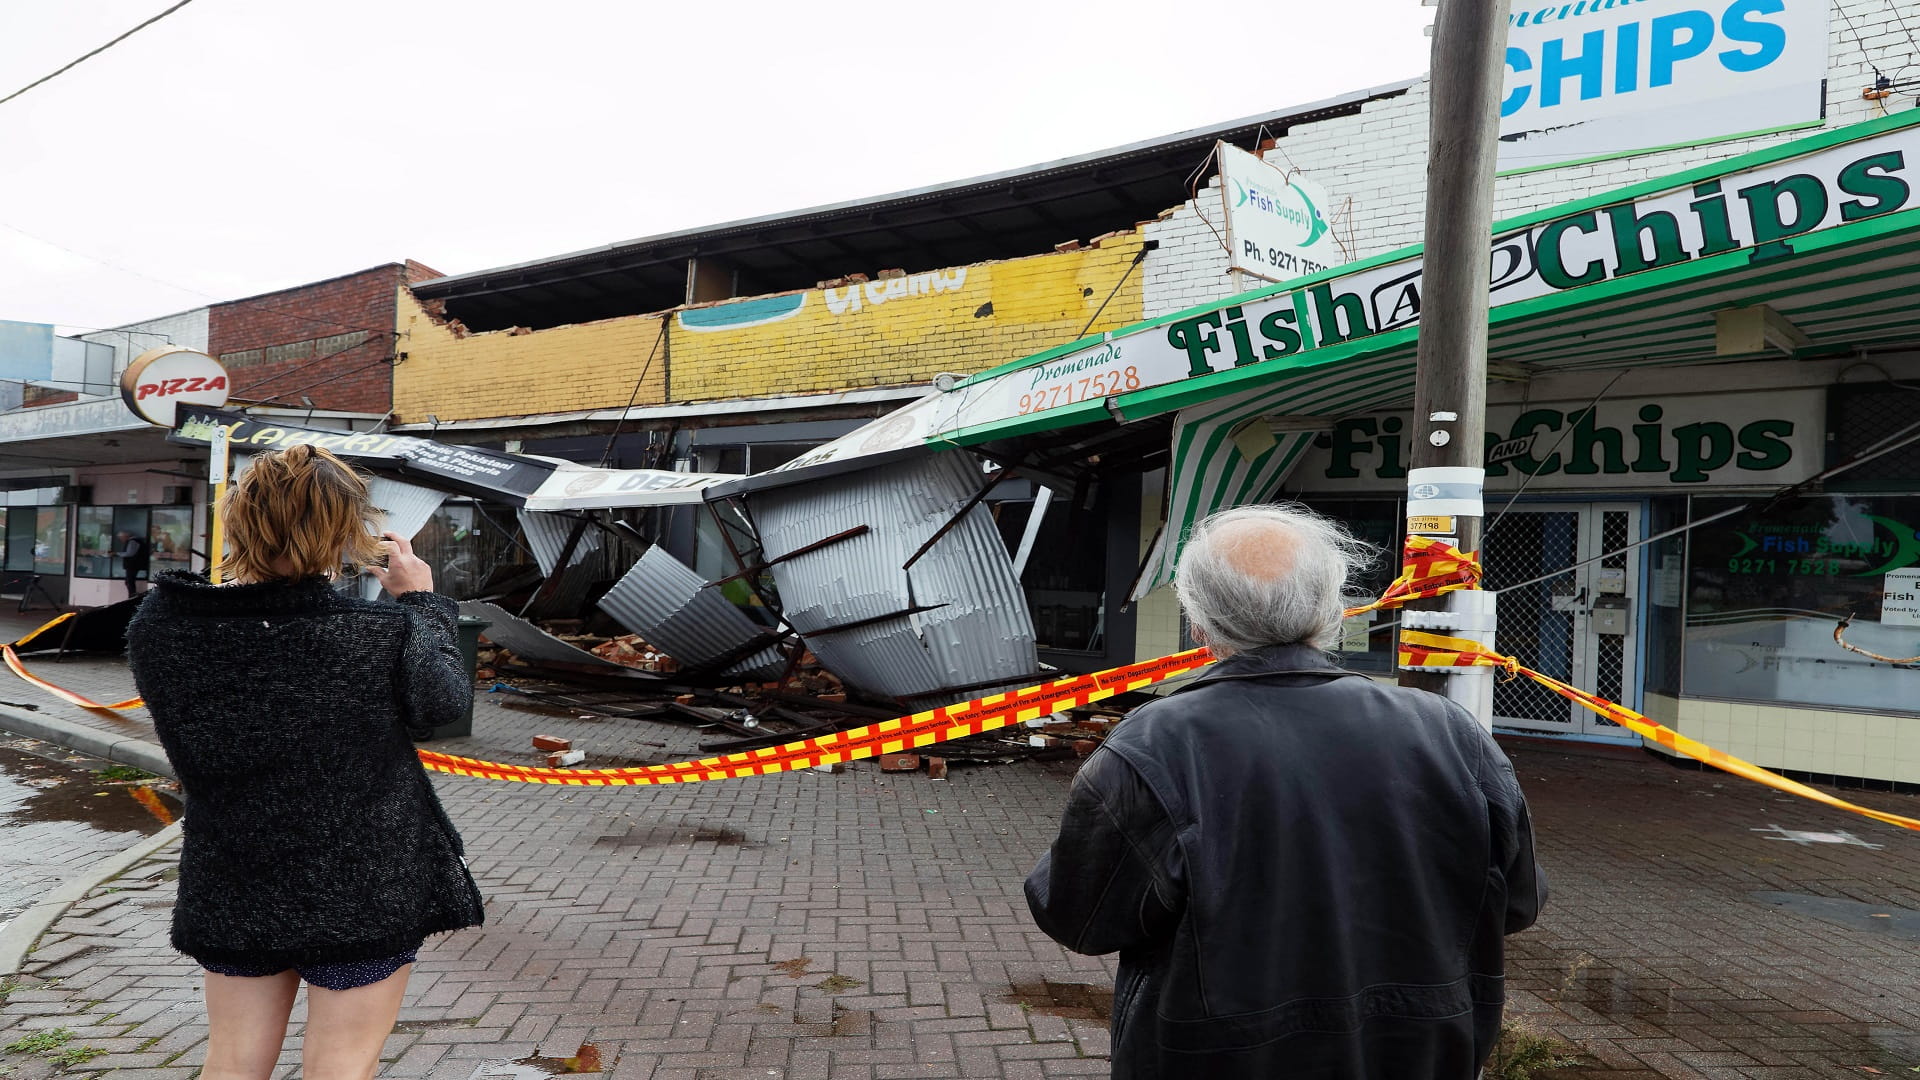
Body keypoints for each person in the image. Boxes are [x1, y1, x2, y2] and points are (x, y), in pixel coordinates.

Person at [1025, 504, 1546, 1079]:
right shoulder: (1450, 733)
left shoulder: (1154, 745)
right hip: (1421, 1055)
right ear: (1333, 610)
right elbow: (1518, 904)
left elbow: (1078, 917)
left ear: (1198, 623)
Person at [126, 444, 484, 1080]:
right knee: (341, 1065)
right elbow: (443, 704)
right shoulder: (374, 631)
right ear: (345, 530)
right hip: (363, 884)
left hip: (234, 874)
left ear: (238, 522)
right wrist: (421, 603)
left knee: (231, 1062)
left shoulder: (164, 623)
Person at [116, 530, 150, 598]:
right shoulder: (134, 541)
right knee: (128, 582)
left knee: (130, 582)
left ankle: (132, 596)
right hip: (133, 565)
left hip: (133, 565)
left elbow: (130, 553)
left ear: (125, 536)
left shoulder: (133, 541)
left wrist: (116, 553)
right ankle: (132, 595)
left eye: (121, 538)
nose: (121, 540)